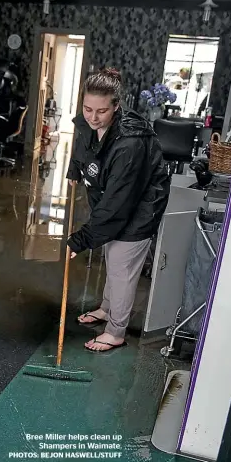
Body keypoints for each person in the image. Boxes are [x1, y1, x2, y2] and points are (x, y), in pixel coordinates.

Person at [65, 68, 170, 352]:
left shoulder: (129, 143)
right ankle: (106, 309)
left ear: (116, 105)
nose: (93, 117)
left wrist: (82, 239)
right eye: (87, 109)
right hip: (114, 199)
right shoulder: (90, 121)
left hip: (140, 207)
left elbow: (117, 204)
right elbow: (83, 142)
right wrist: (75, 167)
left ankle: (115, 331)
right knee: (112, 255)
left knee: (122, 266)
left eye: (101, 111)